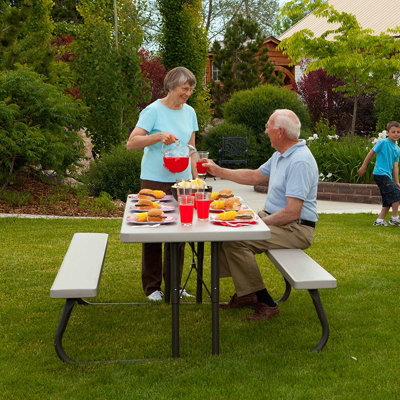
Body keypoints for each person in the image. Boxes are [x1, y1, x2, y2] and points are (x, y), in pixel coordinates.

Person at [203, 109, 319, 321]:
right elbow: (255, 176)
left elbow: (293, 211)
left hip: (296, 228)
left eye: (268, 127)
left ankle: (264, 301)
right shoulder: (281, 155)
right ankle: (246, 294)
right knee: (224, 231)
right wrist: (219, 171)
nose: (265, 131)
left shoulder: (299, 161)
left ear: (280, 132)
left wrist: (257, 223)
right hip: (280, 221)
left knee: (237, 240)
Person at [126, 66, 198, 301]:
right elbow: (132, 143)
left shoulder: (190, 113)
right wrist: (158, 136)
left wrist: (196, 180)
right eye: (184, 89)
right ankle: (152, 287)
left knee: (180, 233)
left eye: (190, 90)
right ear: (171, 87)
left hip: (183, 181)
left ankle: (175, 285)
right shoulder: (153, 111)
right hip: (154, 180)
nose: (187, 94)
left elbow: (192, 149)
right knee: (154, 233)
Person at [357, 121, 400, 226]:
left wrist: (397, 181)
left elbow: (395, 166)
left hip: (387, 176)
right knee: (396, 194)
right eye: (393, 132)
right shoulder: (383, 143)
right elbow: (371, 153)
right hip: (380, 174)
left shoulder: (397, 149)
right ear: (387, 132)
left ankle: (379, 221)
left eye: (398, 132)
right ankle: (394, 218)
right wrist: (363, 167)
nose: (396, 134)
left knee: (388, 199)